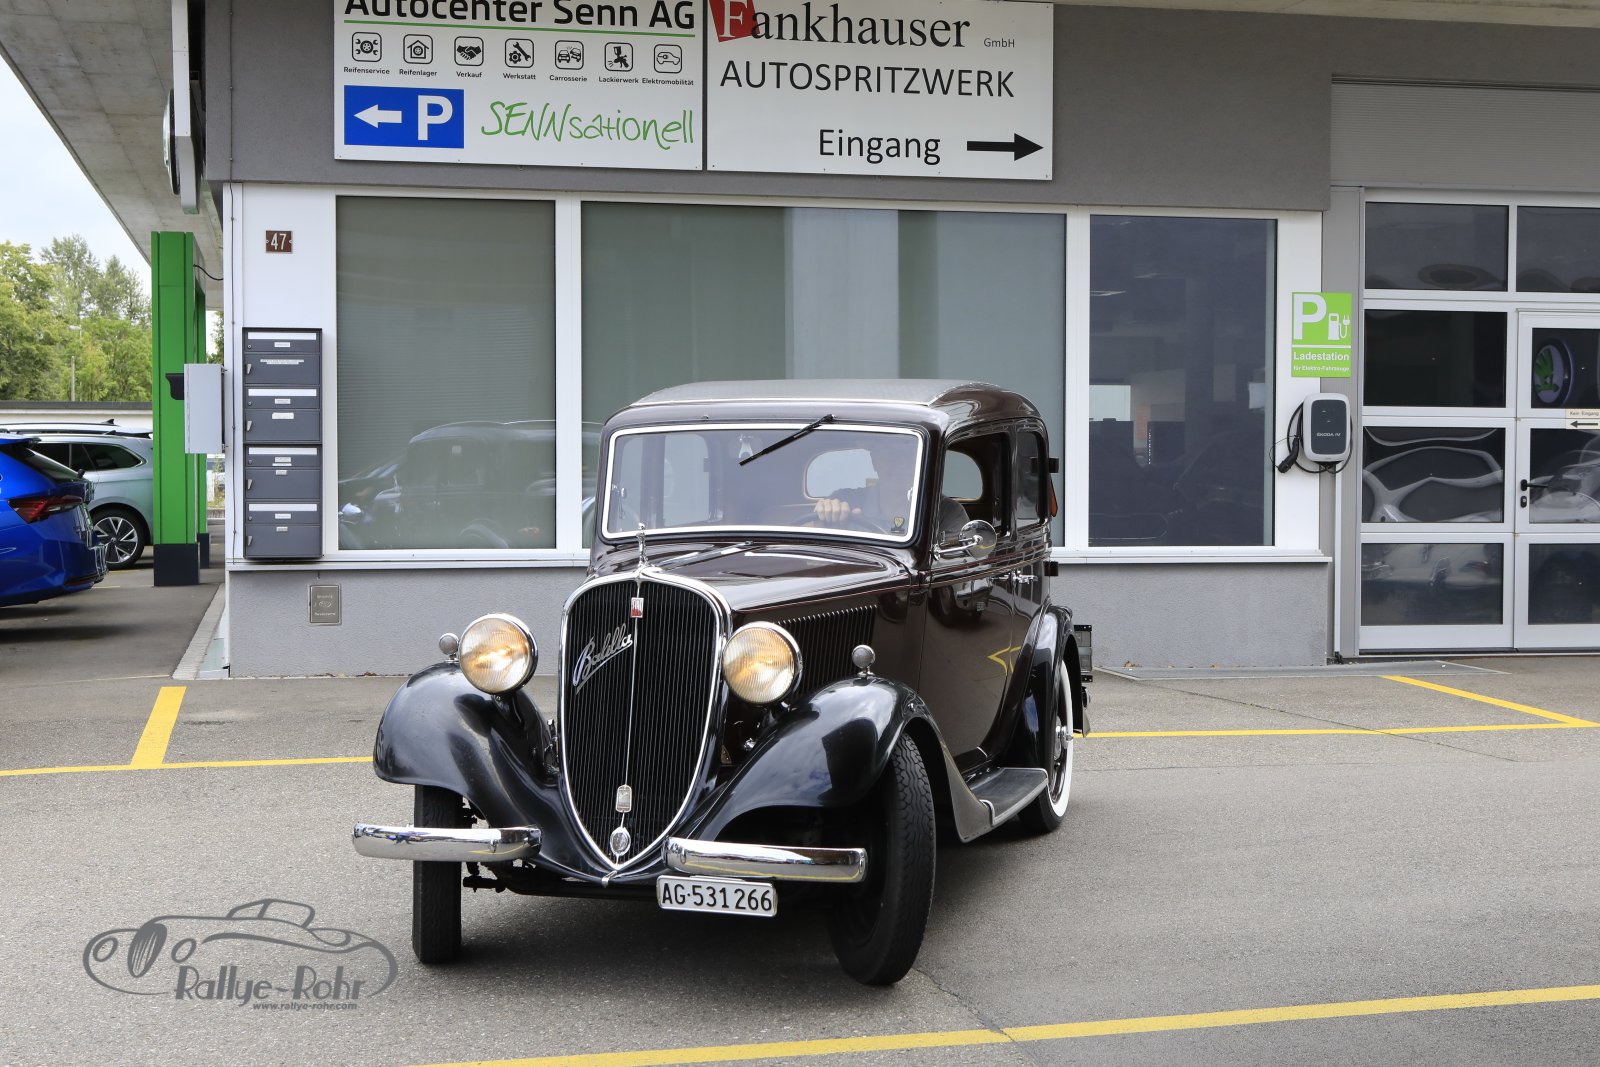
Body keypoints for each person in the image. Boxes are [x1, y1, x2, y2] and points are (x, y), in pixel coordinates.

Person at [812, 440, 967, 539]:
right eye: (890, 454)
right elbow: (810, 552)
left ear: (921, 461)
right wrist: (826, 516)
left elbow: (953, 566)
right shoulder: (845, 500)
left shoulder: (946, 512)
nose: (900, 463)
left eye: (909, 454)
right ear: (874, 460)